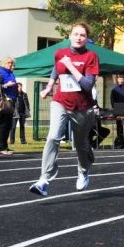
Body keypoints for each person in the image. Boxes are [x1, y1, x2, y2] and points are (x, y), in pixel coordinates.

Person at [29, 23, 100, 197]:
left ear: (86, 39)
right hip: (60, 102)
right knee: (53, 137)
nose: (78, 37)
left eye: (82, 35)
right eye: (75, 34)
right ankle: (44, 180)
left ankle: (84, 170)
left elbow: (87, 84)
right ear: (69, 36)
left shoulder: (91, 57)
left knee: (80, 143)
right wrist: (49, 87)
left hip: (83, 108)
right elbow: (56, 69)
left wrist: (71, 66)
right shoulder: (60, 53)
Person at [0, 57, 18, 155]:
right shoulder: (0, 72)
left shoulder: (10, 73)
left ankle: (4, 146)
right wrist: (7, 85)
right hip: (3, 101)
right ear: (3, 63)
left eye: (11, 63)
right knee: (3, 124)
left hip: (11, 100)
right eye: (8, 63)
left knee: (7, 124)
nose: (10, 64)